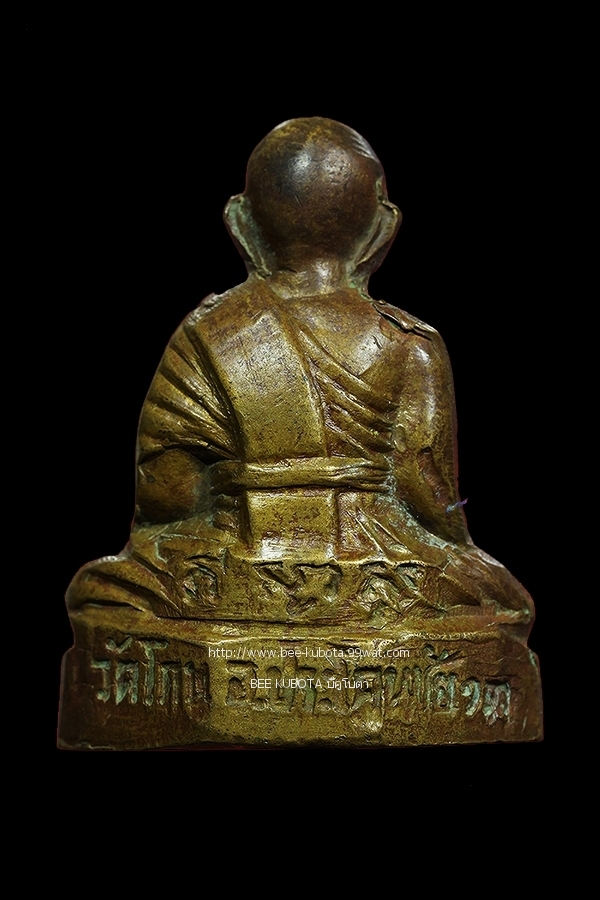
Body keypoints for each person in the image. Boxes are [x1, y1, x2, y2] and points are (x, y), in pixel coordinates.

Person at [67, 117, 533, 630]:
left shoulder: (208, 332)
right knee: (498, 605)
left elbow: (165, 493)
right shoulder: (409, 343)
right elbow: (425, 487)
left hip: (234, 562)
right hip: (374, 566)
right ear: (383, 228)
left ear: (240, 222)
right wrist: (460, 548)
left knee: (106, 593)